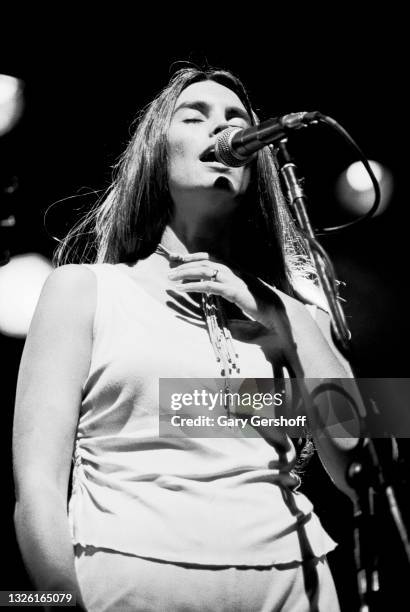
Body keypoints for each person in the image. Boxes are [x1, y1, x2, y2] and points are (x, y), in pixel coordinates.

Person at [13, 66, 359, 611]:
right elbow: (36, 487)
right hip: (131, 584)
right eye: (194, 117)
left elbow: (360, 461)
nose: (221, 130)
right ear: (157, 151)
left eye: (236, 120)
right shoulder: (83, 291)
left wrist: (282, 313)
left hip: (293, 588)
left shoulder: (289, 316)